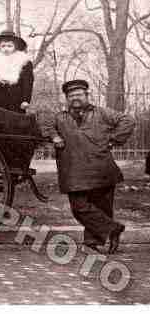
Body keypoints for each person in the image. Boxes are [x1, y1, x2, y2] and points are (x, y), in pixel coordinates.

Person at [42, 80, 135, 254]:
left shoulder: (102, 113)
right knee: (79, 208)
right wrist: (54, 136)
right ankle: (113, 229)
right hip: (73, 172)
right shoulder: (60, 117)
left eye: (78, 95)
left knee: (102, 207)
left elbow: (127, 120)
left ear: (86, 95)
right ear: (67, 99)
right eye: (71, 96)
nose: (75, 98)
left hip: (101, 169)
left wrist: (113, 139)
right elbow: (45, 126)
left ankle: (92, 243)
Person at [0, 30, 34, 113]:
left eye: (9, 46)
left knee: (15, 122)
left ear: (16, 46)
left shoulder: (25, 61)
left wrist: (25, 100)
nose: (6, 49)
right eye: (3, 46)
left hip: (16, 99)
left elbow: (28, 82)